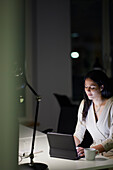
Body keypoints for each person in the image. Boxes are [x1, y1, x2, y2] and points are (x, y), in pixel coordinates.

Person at [73, 69, 113, 158]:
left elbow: (112, 140)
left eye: (92, 87)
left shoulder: (111, 105)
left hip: (109, 155)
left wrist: (93, 150)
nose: (88, 90)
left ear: (101, 87)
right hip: (94, 154)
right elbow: (79, 133)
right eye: (86, 87)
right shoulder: (84, 104)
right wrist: (70, 147)